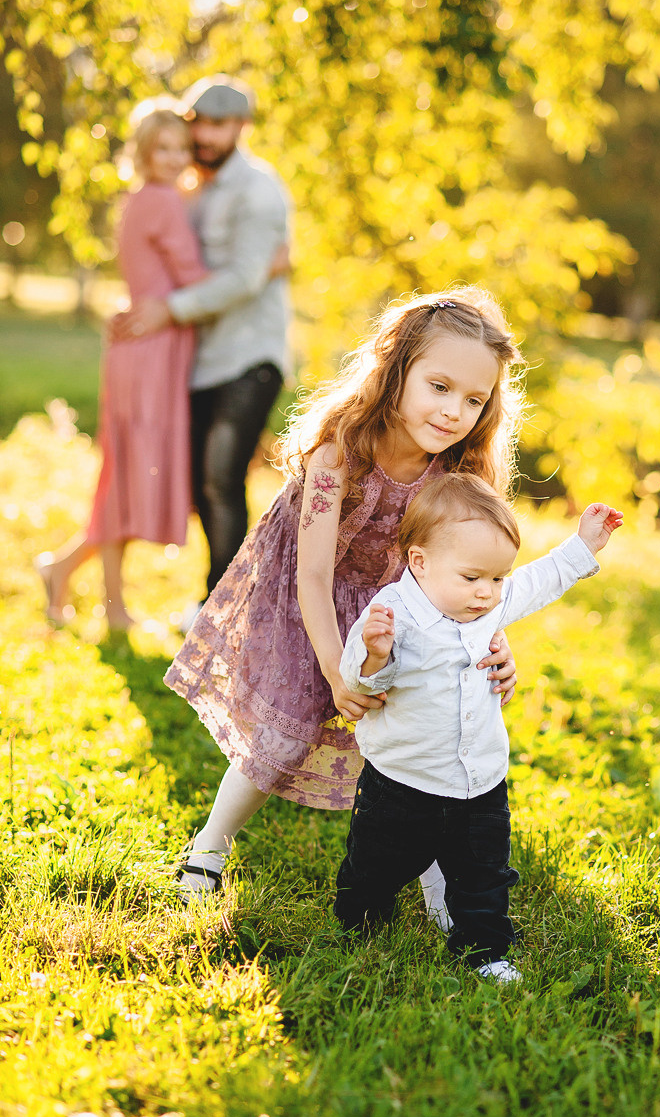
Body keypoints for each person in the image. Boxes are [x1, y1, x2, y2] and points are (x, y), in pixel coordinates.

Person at [165, 288, 524, 909]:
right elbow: (310, 575)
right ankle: (210, 846)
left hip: (395, 605)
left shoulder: (460, 475)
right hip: (306, 593)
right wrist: (336, 669)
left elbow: (474, 576)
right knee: (290, 723)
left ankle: (441, 880)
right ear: (395, 373)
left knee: (426, 729)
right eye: (438, 387)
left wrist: (494, 644)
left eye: (473, 399)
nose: (453, 412)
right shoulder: (340, 455)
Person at [335, 473, 623, 982]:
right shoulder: (392, 613)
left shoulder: (487, 602)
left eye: (497, 578)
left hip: (479, 779)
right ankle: (361, 918)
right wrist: (375, 653)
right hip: (402, 781)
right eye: (473, 578)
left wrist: (584, 545)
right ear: (420, 562)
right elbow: (359, 677)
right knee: (375, 866)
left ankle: (484, 950)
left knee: (483, 875)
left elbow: (538, 581)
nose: (488, 593)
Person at [113, 76, 291, 620]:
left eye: (220, 124)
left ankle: (223, 606)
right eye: (200, 124)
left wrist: (168, 310)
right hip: (199, 359)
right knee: (199, 481)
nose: (207, 135)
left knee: (221, 474)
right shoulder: (190, 187)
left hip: (249, 356)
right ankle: (219, 597)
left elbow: (240, 280)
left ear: (242, 127)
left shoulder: (259, 191)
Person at [35, 108, 208, 628]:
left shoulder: (140, 200)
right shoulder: (161, 202)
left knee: (126, 475)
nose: (176, 158)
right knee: (129, 478)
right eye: (164, 149)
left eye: (183, 148)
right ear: (144, 153)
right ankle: (100, 598)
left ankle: (73, 577)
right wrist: (266, 264)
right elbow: (193, 276)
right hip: (150, 352)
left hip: (142, 349)